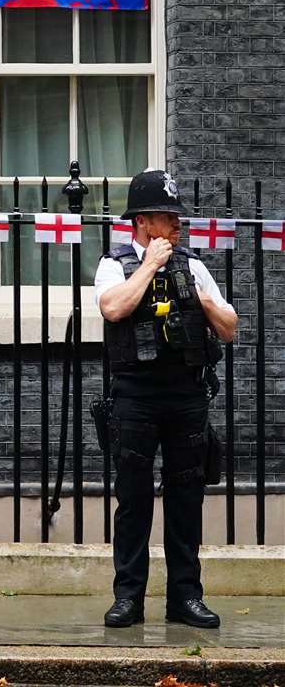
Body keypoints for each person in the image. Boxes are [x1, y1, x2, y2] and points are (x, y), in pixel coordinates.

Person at [94, 169, 238, 630]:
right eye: (166, 216)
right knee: (133, 500)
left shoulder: (193, 264)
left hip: (186, 394)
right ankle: (128, 599)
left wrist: (201, 298)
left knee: (186, 499)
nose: (177, 224)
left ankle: (185, 598)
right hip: (135, 395)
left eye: (177, 216)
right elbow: (114, 308)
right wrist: (151, 266)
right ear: (140, 222)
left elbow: (230, 327)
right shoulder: (115, 264)